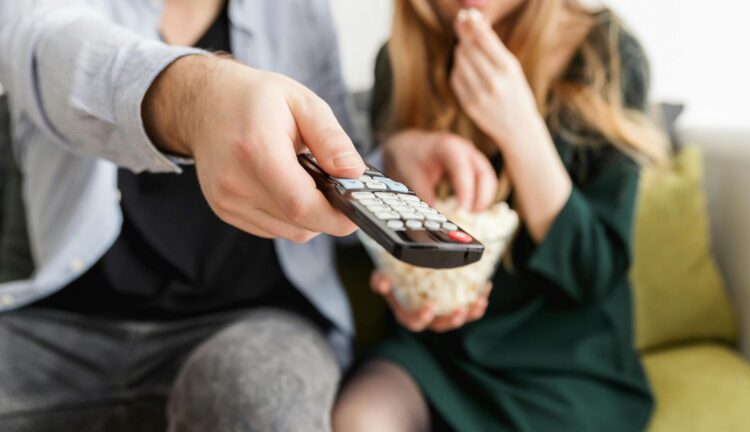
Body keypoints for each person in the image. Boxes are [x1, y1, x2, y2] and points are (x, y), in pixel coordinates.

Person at [0, 0, 492, 430]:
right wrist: (198, 100)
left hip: (260, 320)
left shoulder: (299, 9)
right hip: (65, 323)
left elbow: (330, 166)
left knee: (253, 395)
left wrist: (389, 163)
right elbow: (50, 49)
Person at [334, 0, 666, 431]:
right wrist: (408, 287)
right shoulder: (399, 62)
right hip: (437, 352)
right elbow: (399, 244)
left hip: (567, 364)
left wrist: (521, 129)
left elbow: (594, 273)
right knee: (358, 419)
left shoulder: (607, 53)